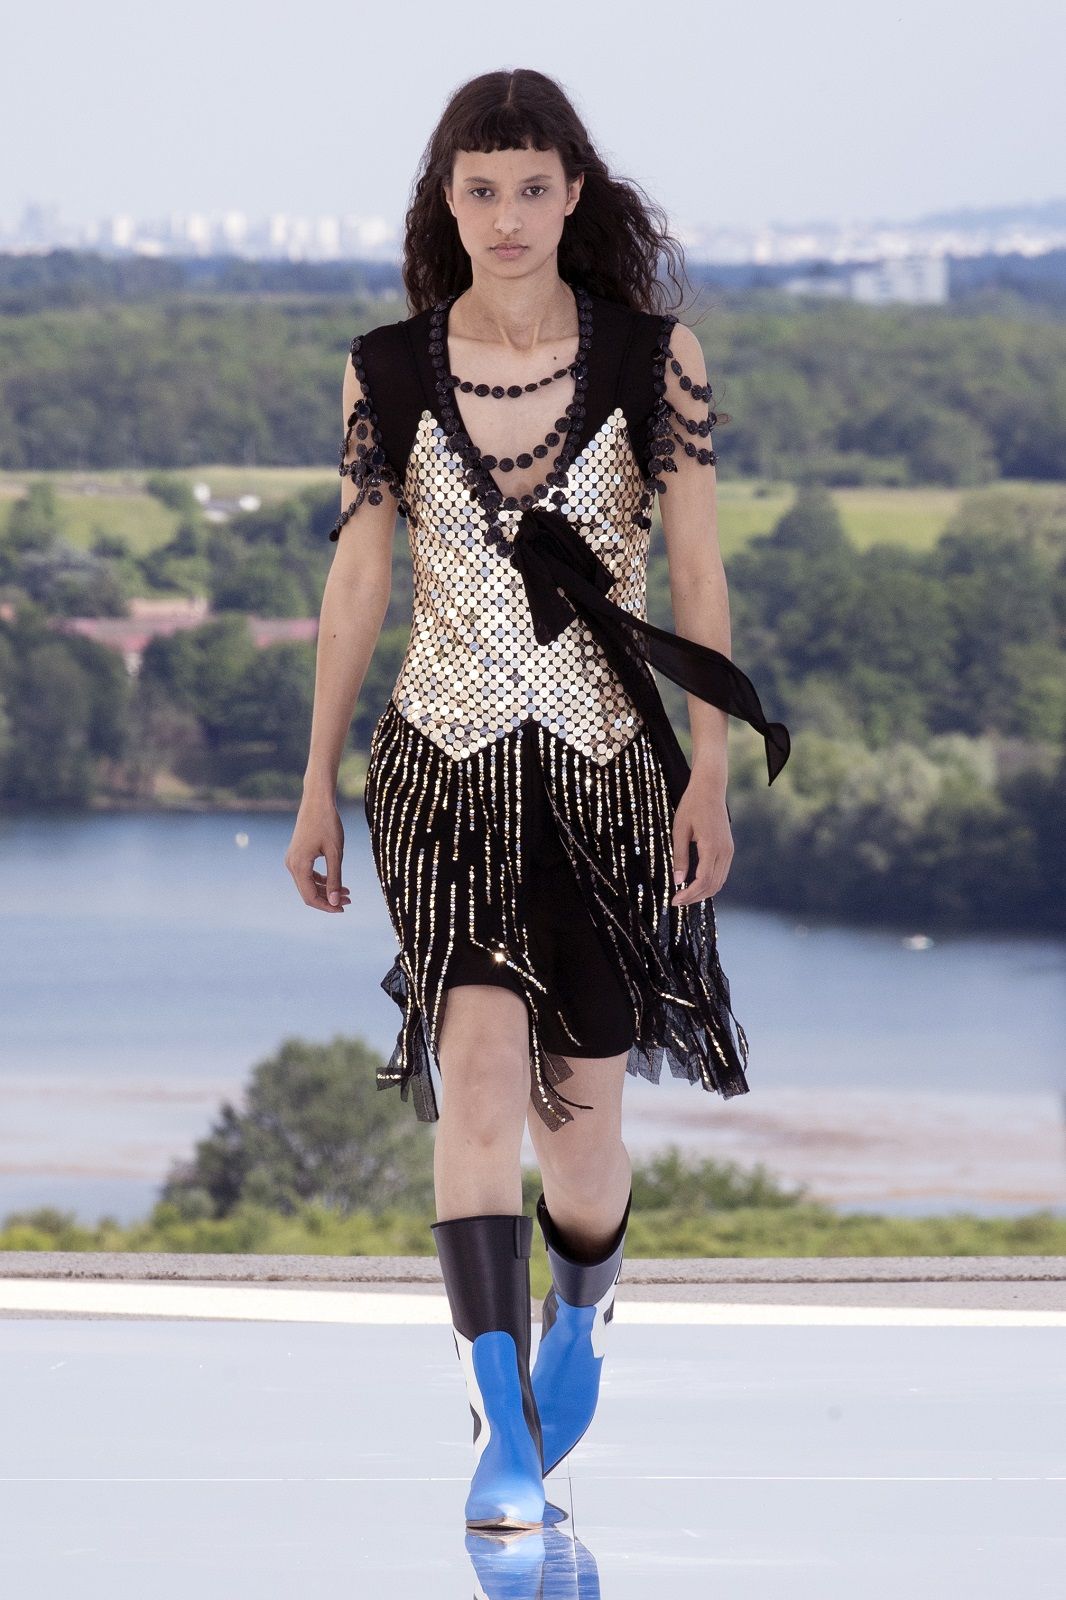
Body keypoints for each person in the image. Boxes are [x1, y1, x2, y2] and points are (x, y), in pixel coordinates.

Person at [285, 68, 790, 1534]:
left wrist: (709, 768)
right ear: (445, 203)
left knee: (579, 1124)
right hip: (440, 769)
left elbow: (696, 572)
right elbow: (357, 582)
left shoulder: (654, 359)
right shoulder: (384, 369)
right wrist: (315, 781)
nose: (505, 215)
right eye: (478, 189)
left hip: (608, 774)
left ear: (573, 194)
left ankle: (584, 1310)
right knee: (479, 1076)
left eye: (530, 187)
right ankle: (498, 1423)